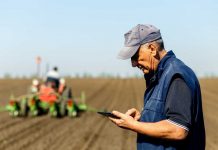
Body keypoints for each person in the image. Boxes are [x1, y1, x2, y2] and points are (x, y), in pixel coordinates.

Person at [109, 24, 205, 150]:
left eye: (135, 56)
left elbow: (178, 129)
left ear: (152, 49)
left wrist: (132, 125)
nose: (133, 63)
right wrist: (143, 118)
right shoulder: (159, 76)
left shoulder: (176, 75)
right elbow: (164, 117)